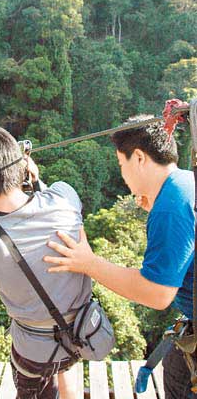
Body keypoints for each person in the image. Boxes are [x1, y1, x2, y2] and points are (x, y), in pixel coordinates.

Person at [43, 116, 195, 398]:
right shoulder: (184, 182)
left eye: (121, 165)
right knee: (175, 367)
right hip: (189, 330)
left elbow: (157, 293)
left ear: (138, 158)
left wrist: (88, 263)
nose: (122, 175)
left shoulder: (171, 207)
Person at [0, 125, 92, 399]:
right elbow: (51, 203)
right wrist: (35, 181)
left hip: (33, 351)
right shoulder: (65, 196)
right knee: (68, 365)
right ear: (19, 165)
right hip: (81, 331)